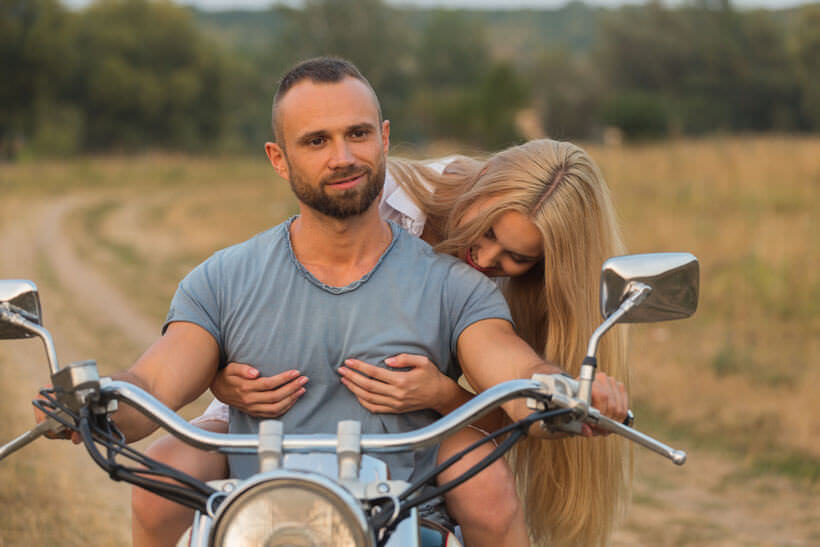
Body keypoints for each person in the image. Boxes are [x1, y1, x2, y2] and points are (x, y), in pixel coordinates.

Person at [123, 57, 628, 547]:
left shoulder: (457, 284)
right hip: (260, 500)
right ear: (279, 159)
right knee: (156, 488)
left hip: (406, 493)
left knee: (491, 497)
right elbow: (151, 383)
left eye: (358, 134)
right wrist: (96, 402)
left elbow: (513, 371)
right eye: (316, 141)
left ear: (384, 138)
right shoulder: (222, 278)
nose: (342, 156)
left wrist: (566, 391)